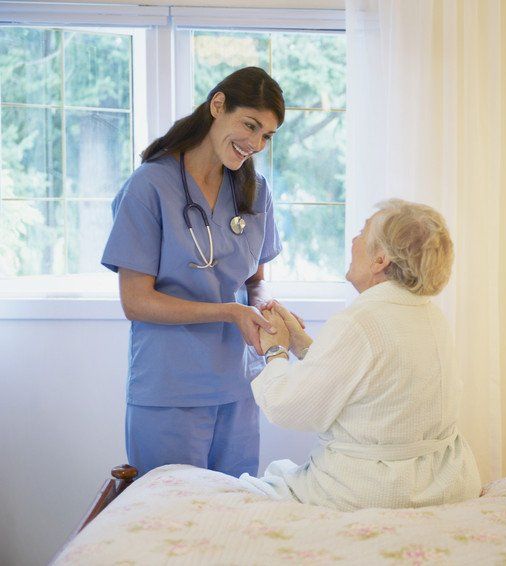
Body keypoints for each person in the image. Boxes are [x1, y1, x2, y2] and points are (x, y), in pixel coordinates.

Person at [101, 67, 287, 478]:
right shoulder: (150, 186)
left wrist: (263, 311)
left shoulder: (254, 191)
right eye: (250, 125)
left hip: (237, 387)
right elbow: (136, 301)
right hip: (171, 388)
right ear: (217, 106)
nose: (255, 144)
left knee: (232, 519)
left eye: (266, 136)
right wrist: (228, 312)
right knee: (169, 522)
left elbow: (254, 281)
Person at [240, 199, 481, 511]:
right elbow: (367, 383)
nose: (353, 241)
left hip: (373, 489)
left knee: (250, 489)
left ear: (380, 258)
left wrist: (275, 349)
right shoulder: (428, 314)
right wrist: (299, 342)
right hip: (445, 482)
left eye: (362, 233)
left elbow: (287, 407)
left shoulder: (360, 321)